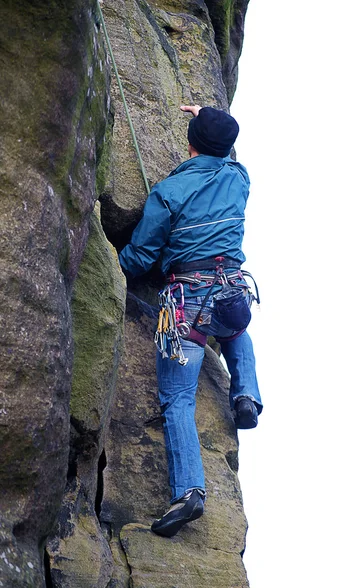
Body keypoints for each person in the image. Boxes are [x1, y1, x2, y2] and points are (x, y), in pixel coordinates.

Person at [118, 104, 262, 537]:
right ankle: (247, 396)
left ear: (190, 142)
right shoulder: (239, 179)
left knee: (178, 400)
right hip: (232, 292)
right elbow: (227, 152)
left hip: (188, 303)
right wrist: (211, 121)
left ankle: (190, 492)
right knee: (237, 329)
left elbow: (141, 256)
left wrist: (111, 263)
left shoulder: (169, 192)